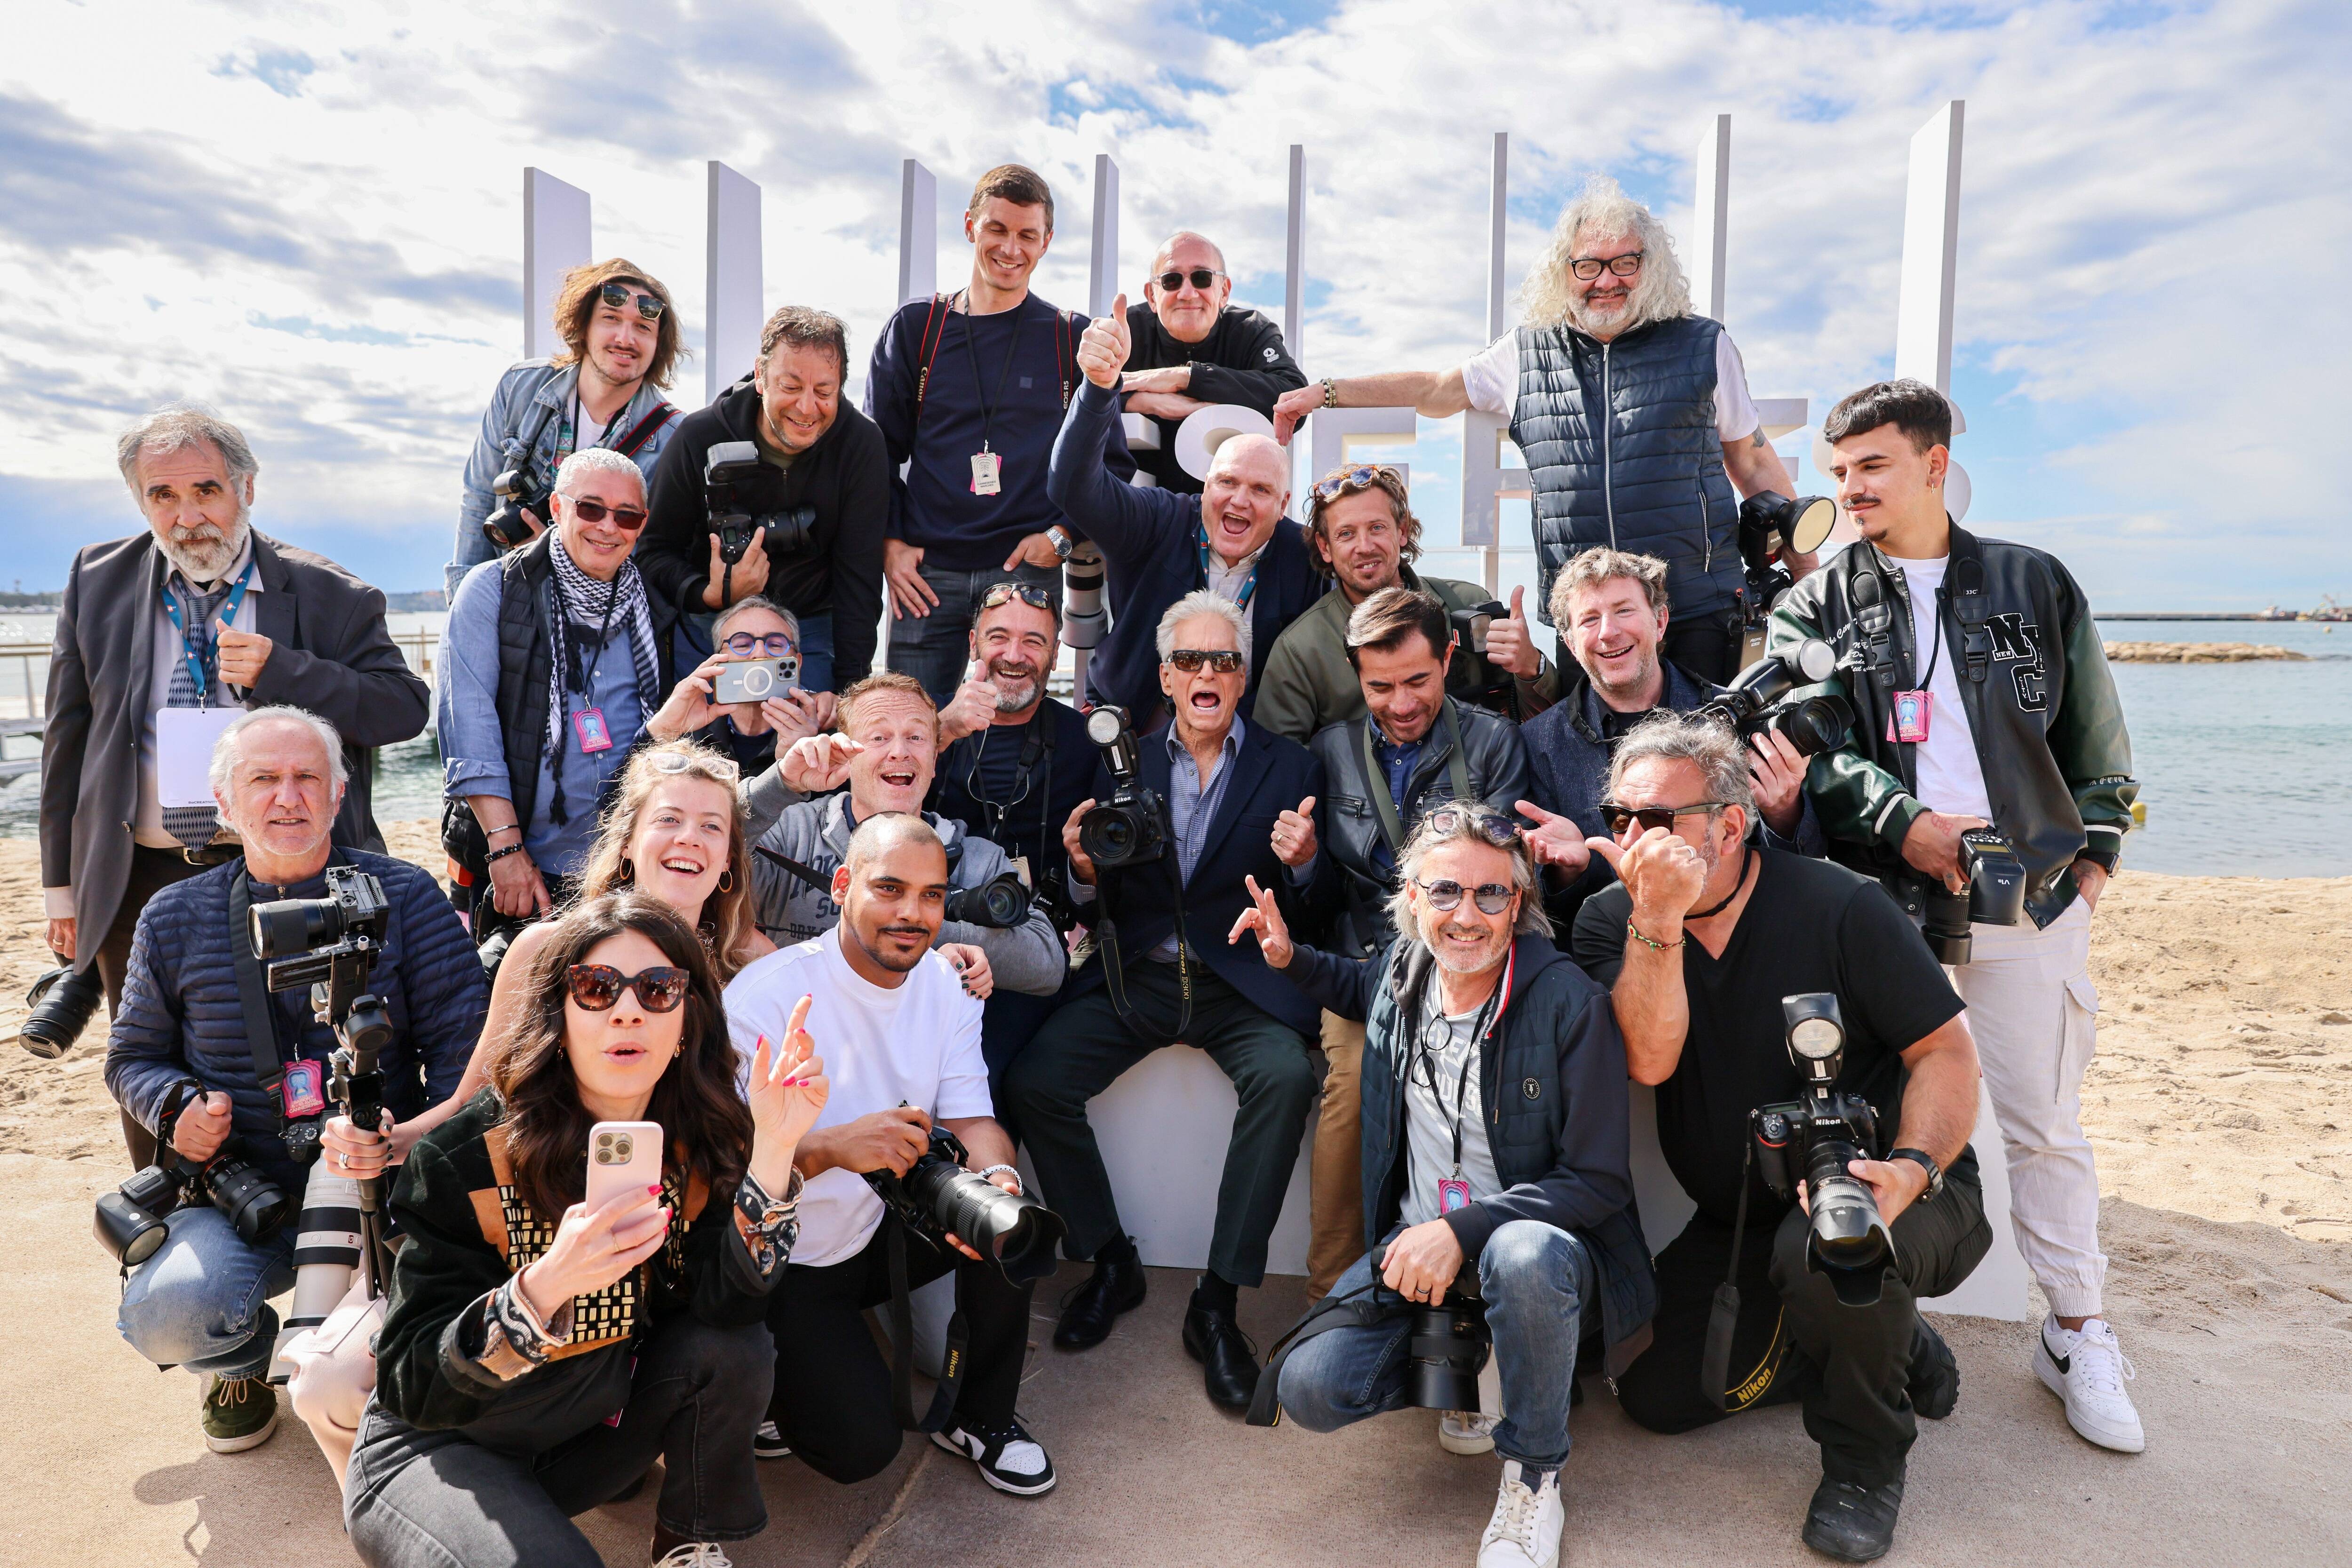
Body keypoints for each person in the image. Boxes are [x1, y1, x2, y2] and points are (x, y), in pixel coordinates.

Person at [1768, 378, 2145, 1457]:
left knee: (2042, 1123)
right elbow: (1807, 740)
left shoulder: (2035, 580)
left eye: (1871, 466)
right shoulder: (1814, 602)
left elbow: (2097, 742)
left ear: (1934, 463)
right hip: (1881, 899)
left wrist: (2094, 865)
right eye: (1838, 473)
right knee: (1864, 1121)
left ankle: (2076, 1331)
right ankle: (1874, 1332)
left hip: (2030, 890)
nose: (1851, 489)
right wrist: (1901, 820)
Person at [286, 739, 778, 1483]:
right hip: (514, 1234)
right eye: (670, 819)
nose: (690, 839)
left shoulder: (758, 966)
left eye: (714, 827)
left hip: (678, 1253)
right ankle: (419, 1505)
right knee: (328, 1385)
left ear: (731, 859)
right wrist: (387, 1142)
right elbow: (477, 1104)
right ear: (629, 842)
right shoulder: (550, 947)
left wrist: (953, 965)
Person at [1570, 714, 1990, 1564]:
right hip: (1741, 1214)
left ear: (1729, 824)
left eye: (1658, 820)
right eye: (1621, 817)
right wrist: (1658, 917)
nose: (1633, 838)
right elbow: (1648, 1061)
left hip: (1892, 1187)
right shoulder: (1613, 919)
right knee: (1655, 1393)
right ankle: (1891, 1341)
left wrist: (1909, 1170)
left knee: (1832, 1249)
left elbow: (1946, 1051)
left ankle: (1865, 1462)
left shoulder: (1842, 905)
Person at [348, 893, 825, 1568]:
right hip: (441, 1445)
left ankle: (686, 1538)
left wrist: (775, 1150)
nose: (628, 1009)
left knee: (734, 1349)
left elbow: (730, 1311)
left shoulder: (699, 1142)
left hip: (576, 1430)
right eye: (597, 988)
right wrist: (543, 1287)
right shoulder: (467, 1156)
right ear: (561, 1015)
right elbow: (407, 1380)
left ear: (687, 1020)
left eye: (659, 989)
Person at [1240, 808, 1656, 1568]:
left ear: (1520, 902)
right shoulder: (1405, 967)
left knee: (1522, 1256)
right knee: (1309, 1387)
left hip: (1540, 1253)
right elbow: (1354, 980)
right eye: (1446, 892)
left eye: (1491, 895)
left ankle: (1534, 1472)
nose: (1467, 916)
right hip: (1421, 1252)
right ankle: (1480, 1364)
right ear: (1412, 896)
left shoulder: (1569, 1001)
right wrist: (1287, 955)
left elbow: (1597, 1180)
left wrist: (1463, 1231)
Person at [47, 405, 429, 1167]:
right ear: (140, 500)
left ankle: (317, 1230)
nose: (187, 516)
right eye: (162, 495)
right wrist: (61, 885)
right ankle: (167, 1236)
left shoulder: (330, 594)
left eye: (207, 489)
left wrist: (284, 670)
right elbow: (69, 735)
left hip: (291, 868)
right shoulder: (97, 577)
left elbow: (402, 707)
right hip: (140, 875)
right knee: (153, 1069)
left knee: (309, 1055)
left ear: (247, 486)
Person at [103, 708, 484, 1455]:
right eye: (264, 779)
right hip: (248, 1193)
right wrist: (175, 1106)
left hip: (381, 1185)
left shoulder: (403, 898)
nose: (288, 797)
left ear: (340, 796)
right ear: (224, 803)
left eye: (308, 777)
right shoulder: (173, 915)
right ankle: (240, 1366)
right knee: (173, 1311)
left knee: (412, 1340)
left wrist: (405, 1141)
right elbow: (130, 1058)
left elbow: (473, 1065)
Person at [1273, 177, 1805, 684]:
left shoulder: (1702, 345)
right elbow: (1436, 389)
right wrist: (1326, 392)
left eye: (1624, 262)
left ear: (1651, 266)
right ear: (1563, 270)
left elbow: (1754, 461)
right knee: (1596, 772)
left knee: (1704, 767)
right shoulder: (1524, 352)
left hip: (1695, 607)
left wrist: (1810, 582)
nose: (1605, 280)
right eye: (1587, 265)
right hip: (1586, 618)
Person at [1004, 593, 1325, 1409]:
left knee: (1288, 1076)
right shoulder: (1123, 760)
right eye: (1190, 660)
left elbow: (1318, 906)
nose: (1206, 673)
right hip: (1134, 977)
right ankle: (1112, 1258)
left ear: (1243, 675)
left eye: (1222, 659)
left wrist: (1307, 863)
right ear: (1166, 676)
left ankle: (1216, 1301)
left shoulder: (1291, 765)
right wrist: (1081, 866)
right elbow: (1083, 893)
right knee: (1034, 1081)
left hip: (1240, 982)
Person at [725, 813, 1054, 1496]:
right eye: (890, 888)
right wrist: (832, 1149)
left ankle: (980, 1418)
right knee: (859, 1450)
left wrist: (994, 1180)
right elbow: (719, 1171)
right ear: (843, 885)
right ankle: (772, 1383)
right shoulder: (766, 997)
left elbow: (974, 1118)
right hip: (782, 1258)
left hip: (880, 1233)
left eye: (932, 895)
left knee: (1010, 1221)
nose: (913, 912)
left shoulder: (946, 984)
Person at [1295, 587, 1533, 1303]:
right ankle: (1332, 1293)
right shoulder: (1330, 750)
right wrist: (1305, 863)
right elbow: (1322, 902)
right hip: (1365, 966)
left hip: (1468, 961)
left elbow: (1505, 886)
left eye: (1418, 682)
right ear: (1355, 674)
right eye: (1380, 686)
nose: (1400, 703)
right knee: (1350, 1091)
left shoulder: (1495, 741)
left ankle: (1470, 1286)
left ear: (1450, 659)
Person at [440, 446, 730, 943]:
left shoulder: (652, 603)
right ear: (557, 508)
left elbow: (660, 742)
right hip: (530, 868)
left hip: (629, 869)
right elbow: (470, 731)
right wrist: (506, 851)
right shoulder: (496, 590)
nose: (607, 527)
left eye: (627, 516)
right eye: (590, 508)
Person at [865, 164, 1131, 702]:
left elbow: (1111, 465)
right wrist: (890, 543)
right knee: (911, 726)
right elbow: (875, 456)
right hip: (926, 577)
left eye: (1026, 235)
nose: (1011, 248)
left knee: (1015, 735)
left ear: (1046, 242)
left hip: (1026, 570)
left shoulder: (1070, 337)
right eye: (997, 229)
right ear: (970, 227)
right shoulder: (918, 327)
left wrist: (1060, 537)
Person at [1049, 295, 1325, 723]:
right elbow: (1073, 487)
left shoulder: (1306, 557)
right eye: (1227, 482)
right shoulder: (1161, 520)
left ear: (1284, 504)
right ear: (1206, 484)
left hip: (1246, 745)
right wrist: (1099, 388)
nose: (1239, 500)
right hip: (1133, 729)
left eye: (1261, 490)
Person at [1518, 549, 1815, 925]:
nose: (1609, 632)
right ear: (1572, 645)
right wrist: (1568, 874)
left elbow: (1795, 870)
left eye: (1624, 610)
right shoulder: (1538, 744)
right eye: (1590, 619)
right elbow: (1540, 913)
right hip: (1602, 960)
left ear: (1660, 622)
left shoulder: (1740, 717)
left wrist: (1783, 812)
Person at [742, 672, 1064, 1000]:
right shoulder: (793, 829)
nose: (899, 751)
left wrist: (926, 931)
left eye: (916, 737)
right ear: (845, 753)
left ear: (935, 760)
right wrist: (781, 783)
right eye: (879, 737)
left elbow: (1047, 962)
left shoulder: (976, 858)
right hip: (799, 1034)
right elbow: (708, 847)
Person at [637, 304, 889, 685]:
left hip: (810, 624)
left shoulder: (861, 444)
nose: (807, 408)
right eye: (790, 387)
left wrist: (849, 692)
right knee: (699, 742)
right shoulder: (698, 436)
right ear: (761, 376)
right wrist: (710, 592)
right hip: (712, 620)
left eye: (824, 392)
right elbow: (653, 552)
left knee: (806, 736)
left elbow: (859, 582)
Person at [927, 581, 1098, 1105]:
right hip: (928, 941)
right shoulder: (924, 723)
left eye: (1033, 642)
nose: (1014, 656)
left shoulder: (1083, 741)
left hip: (1028, 953)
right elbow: (876, 810)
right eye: (998, 638)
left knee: (997, 1087)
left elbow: (1098, 888)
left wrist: (1084, 871)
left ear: (1055, 653)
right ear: (973, 642)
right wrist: (944, 730)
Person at [1254, 462, 1556, 743]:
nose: (1365, 547)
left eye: (1377, 528)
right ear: (1325, 547)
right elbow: (1280, 760)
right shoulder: (1301, 649)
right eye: (1346, 534)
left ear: (1402, 531)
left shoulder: (1468, 604)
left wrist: (1531, 667)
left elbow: (1543, 723)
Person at [447, 259, 684, 599]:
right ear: (583, 324)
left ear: (658, 343)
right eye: (611, 319)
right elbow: (479, 498)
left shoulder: (673, 438)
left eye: (643, 328)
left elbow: (654, 560)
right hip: (504, 599)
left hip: (596, 622)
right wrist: (464, 603)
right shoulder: (521, 388)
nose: (625, 338)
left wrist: (549, 555)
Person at [1117, 230, 1307, 494]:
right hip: (1138, 506)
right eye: (1171, 280)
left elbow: (1294, 397)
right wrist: (1137, 402)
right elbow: (1071, 396)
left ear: (1224, 291)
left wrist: (1187, 377)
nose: (1187, 293)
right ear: (1152, 295)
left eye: (1202, 278)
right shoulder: (1128, 330)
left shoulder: (1249, 331)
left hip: (1232, 512)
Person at [691, 596, 837, 777]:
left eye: (776, 645)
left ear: (797, 663)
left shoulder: (825, 738)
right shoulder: (692, 735)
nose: (760, 654)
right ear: (717, 662)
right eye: (742, 644)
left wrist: (803, 764)